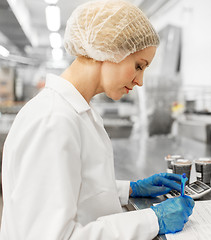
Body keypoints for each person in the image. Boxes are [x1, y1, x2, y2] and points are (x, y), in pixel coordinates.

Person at [0, 0, 194, 239]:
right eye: (138, 66)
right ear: (109, 49)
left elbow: (74, 190)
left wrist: (129, 189)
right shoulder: (53, 120)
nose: (140, 81)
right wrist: (151, 220)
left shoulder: (75, 111)